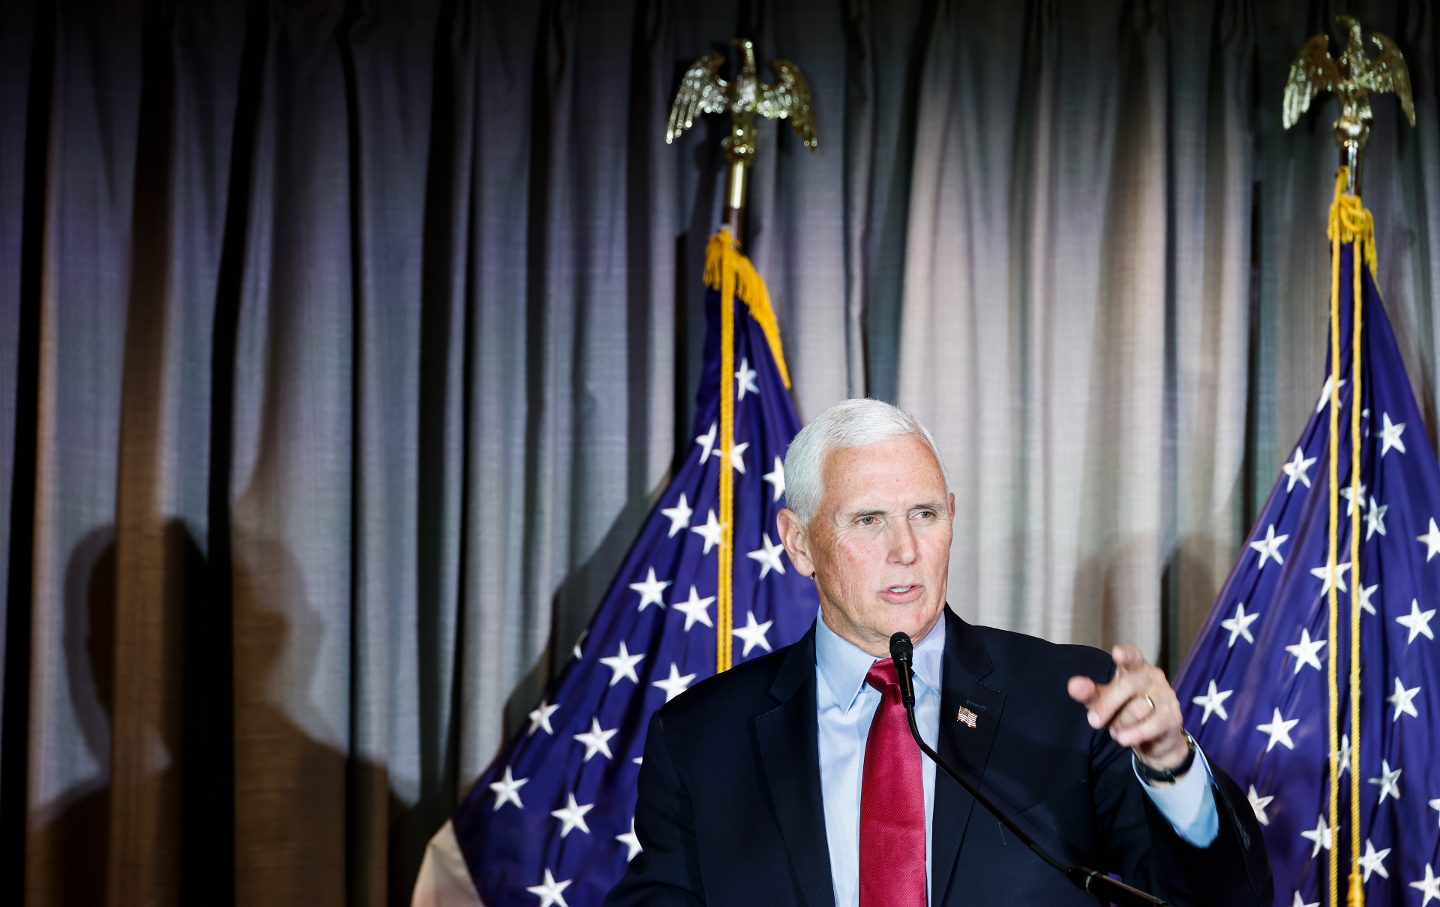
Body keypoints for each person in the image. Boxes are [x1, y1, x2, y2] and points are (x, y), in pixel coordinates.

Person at [606, 398, 1272, 906]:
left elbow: (1225, 900)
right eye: (869, 520)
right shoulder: (700, 740)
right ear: (799, 541)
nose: (906, 550)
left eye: (925, 514)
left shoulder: (1072, 702)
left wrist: (1171, 766)